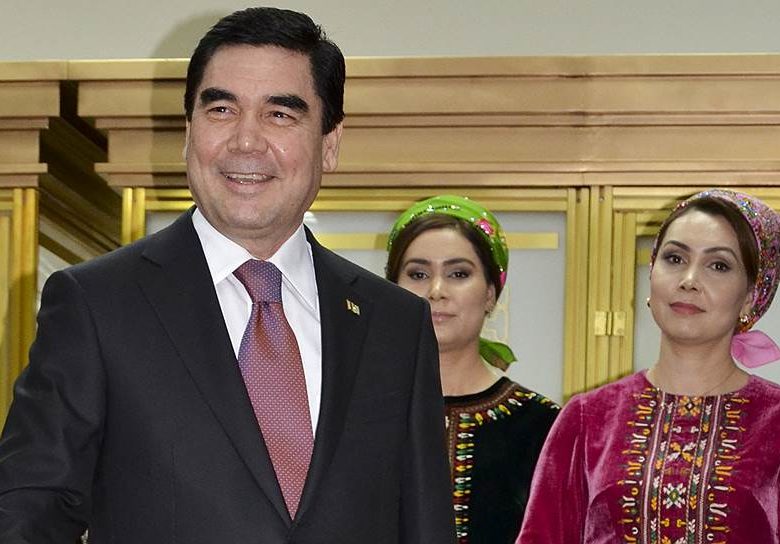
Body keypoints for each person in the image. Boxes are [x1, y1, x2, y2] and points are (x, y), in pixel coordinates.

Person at [0, 8, 455, 544]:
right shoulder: (97, 304)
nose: (246, 141)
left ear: (329, 143)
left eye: (279, 114)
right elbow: (29, 514)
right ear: (188, 132)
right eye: (221, 109)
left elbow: (425, 525)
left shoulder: (395, 323)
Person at [517, 189, 780, 543]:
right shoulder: (586, 419)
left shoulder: (774, 421)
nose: (689, 280)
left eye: (719, 265)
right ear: (652, 273)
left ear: (750, 296)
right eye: (674, 258)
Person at [386, 195, 559, 544]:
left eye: (458, 274)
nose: (436, 291)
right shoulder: (352, 415)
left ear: (491, 293)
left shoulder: (542, 425)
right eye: (418, 274)